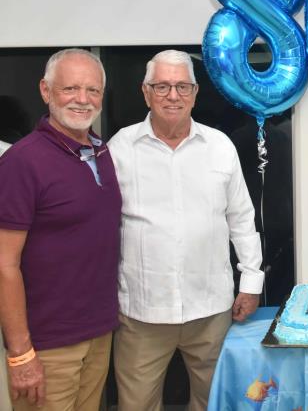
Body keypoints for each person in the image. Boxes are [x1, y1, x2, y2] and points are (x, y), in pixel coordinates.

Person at [109, 49, 263, 411]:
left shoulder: (219, 147)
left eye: (182, 86)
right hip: (141, 312)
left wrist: (251, 283)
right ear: (145, 92)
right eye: (162, 86)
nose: (173, 96)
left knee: (216, 403)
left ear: (195, 93)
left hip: (210, 309)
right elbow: (103, 228)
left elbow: (241, 219)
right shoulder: (120, 148)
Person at [0, 48, 121, 411]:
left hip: (99, 333)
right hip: (48, 344)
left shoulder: (102, 151)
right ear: (45, 90)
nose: (83, 100)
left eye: (93, 90)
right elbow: (4, 264)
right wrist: (21, 354)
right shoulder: (21, 162)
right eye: (70, 89)